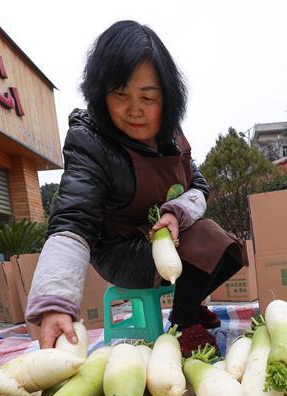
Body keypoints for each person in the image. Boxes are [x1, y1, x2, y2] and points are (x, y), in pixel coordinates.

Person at [26, 20, 247, 355]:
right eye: (120, 95)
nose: (135, 110)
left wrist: (175, 214)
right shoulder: (89, 143)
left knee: (228, 250)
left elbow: (198, 186)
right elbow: (73, 221)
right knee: (206, 238)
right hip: (119, 249)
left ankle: (188, 307)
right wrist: (55, 302)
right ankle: (184, 324)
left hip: (168, 235)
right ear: (101, 94)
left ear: (167, 97)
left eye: (148, 97)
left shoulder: (173, 135)